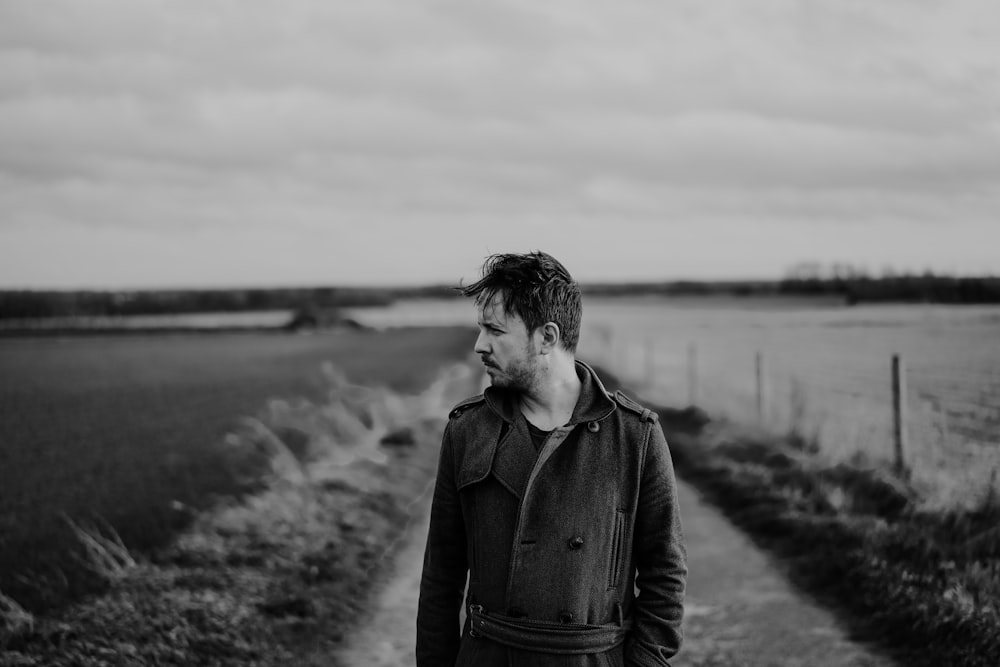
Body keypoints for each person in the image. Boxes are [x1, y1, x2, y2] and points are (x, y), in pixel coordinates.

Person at [416, 251, 686, 667]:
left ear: (546, 337)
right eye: (480, 329)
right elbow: (440, 578)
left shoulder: (635, 436)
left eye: (494, 330)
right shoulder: (467, 431)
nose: (478, 345)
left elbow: (665, 577)